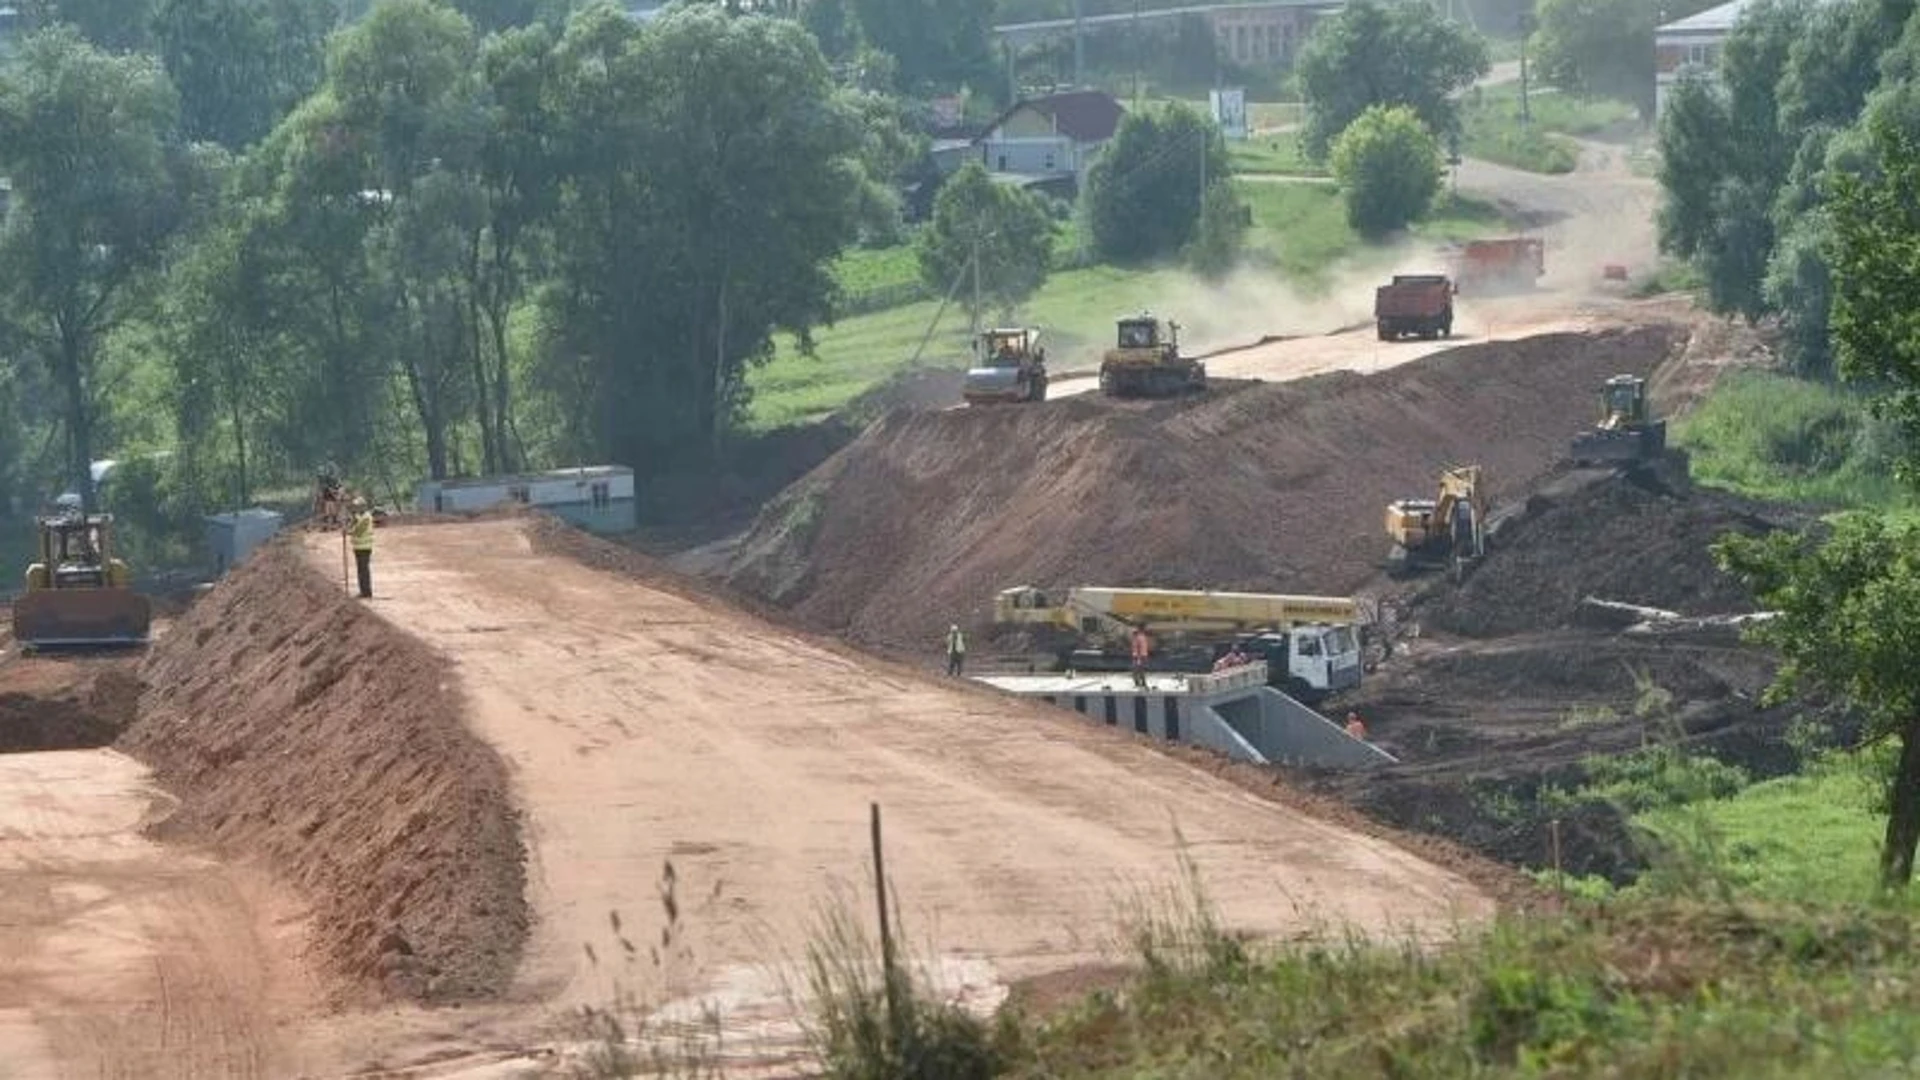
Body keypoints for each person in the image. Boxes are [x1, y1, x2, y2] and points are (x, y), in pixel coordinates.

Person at [347, 496, 376, 599]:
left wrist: (349, 532)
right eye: (356, 506)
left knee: (364, 570)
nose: (356, 508)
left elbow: (359, 531)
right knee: (360, 570)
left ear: (363, 506)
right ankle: (363, 591)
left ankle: (367, 592)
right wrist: (352, 521)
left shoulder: (366, 517)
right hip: (358, 547)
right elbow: (354, 526)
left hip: (365, 547)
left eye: (358, 506)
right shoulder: (359, 517)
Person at [1130, 624, 1151, 690]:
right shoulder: (1143, 637)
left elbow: (1138, 648)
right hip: (1143, 656)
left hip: (1139, 656)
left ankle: (1138, 683)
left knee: (1136, 671)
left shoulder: (1138, 638)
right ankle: (1143, 683)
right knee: (1141, 670)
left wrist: (1138, 658)